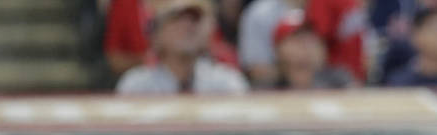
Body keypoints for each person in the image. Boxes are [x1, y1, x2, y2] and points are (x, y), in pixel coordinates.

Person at [115, 0, 249, 94]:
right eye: (176, 19)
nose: (187, 27)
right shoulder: (136, 86)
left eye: (194, 20)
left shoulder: (226, 83)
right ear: (156, 34)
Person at [237, 0, 367, 87]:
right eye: (297, 40)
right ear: (278, 49)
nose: (305, 48)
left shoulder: (338, 80)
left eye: (310, 40)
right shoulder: (267, 87)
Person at [272, 9, 357, 89]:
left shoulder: (339, 79)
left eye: (311, 38)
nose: (306, 46)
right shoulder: (269, 85)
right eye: (298, 39)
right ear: (280, 48)